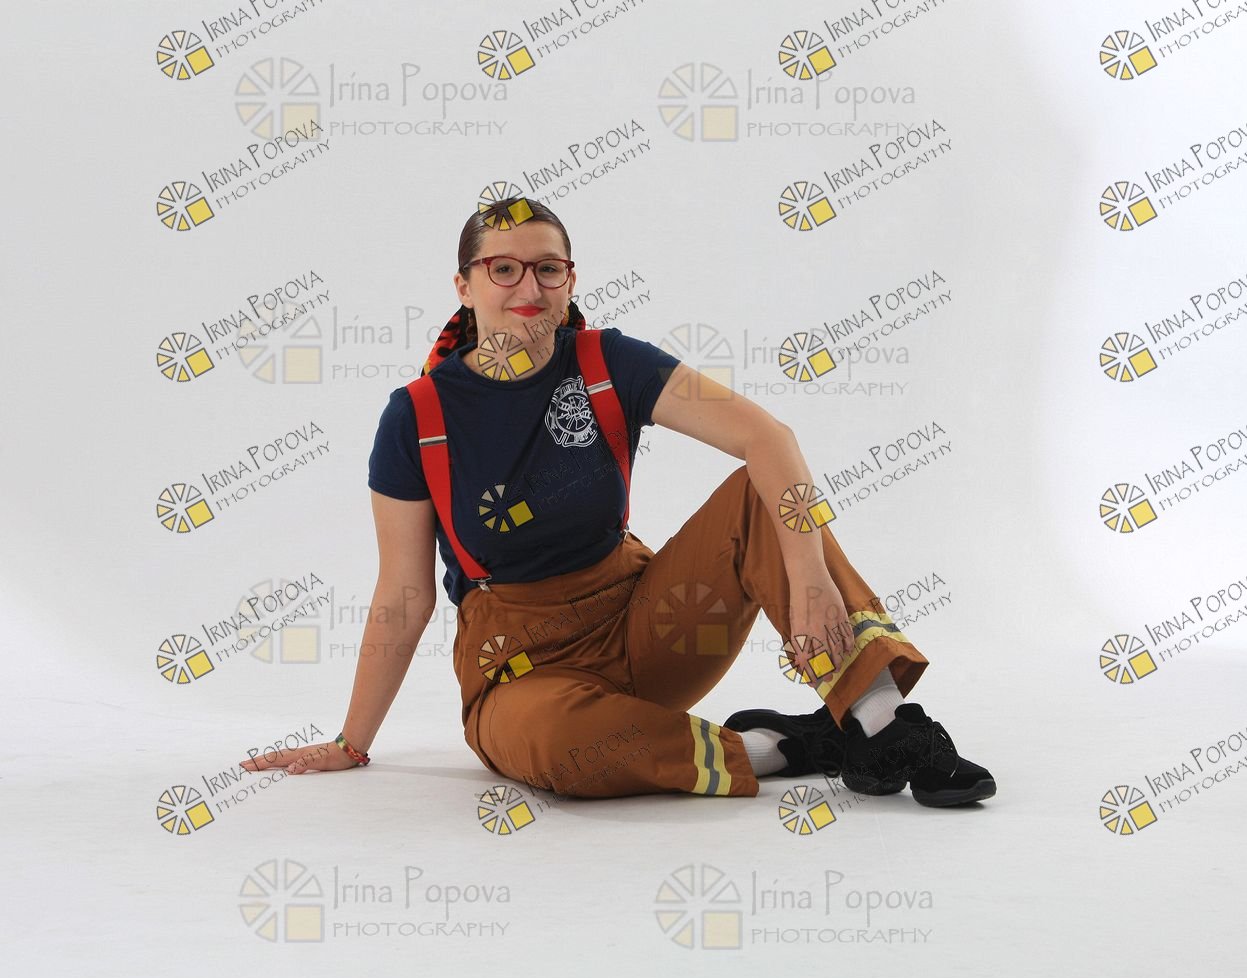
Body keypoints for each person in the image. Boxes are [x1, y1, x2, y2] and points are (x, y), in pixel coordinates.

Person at [242, 196, 995, 808]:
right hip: (520, 670)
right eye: (503, 269)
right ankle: (787, 748)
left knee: (760, 494)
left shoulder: (608, 362)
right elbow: (403, 594)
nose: (529, 289)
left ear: (570, 279)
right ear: (464, 286)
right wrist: (351, 742)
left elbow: (768, 439)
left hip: (647, 626)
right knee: (558, 747)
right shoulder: (417, 416)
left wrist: (810, 579)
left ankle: (883, 724)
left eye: (548, 269)